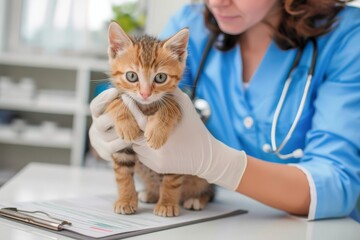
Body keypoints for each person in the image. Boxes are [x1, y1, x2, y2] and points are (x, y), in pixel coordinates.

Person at [89, 0, 360, 221]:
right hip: (211, 222)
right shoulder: (193, 21)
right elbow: (139, 85)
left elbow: (337, 185)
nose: (217, 2)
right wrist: (108, 121)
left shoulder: (346, 36)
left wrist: (222, 165)